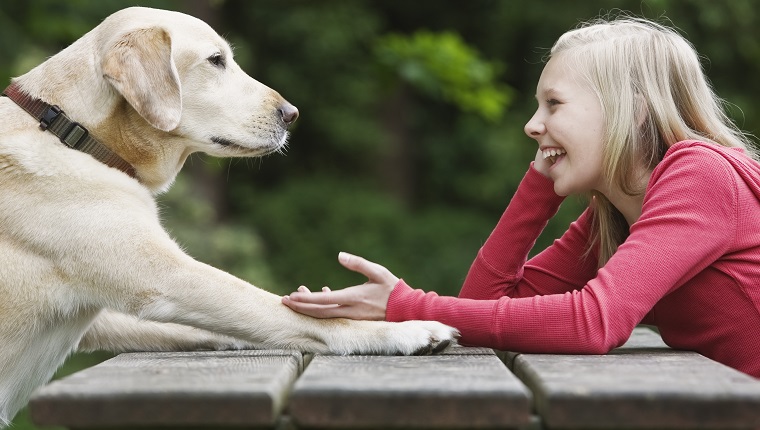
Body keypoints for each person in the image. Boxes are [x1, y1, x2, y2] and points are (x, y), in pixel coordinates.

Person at [281, 16, 760, 378]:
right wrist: (539, 186)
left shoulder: (701, 173)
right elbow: (484, 305)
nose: (532, 124)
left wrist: (405, 306)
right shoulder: (614, 215)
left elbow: (593, 322)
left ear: (631, 110)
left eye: (553, 104)